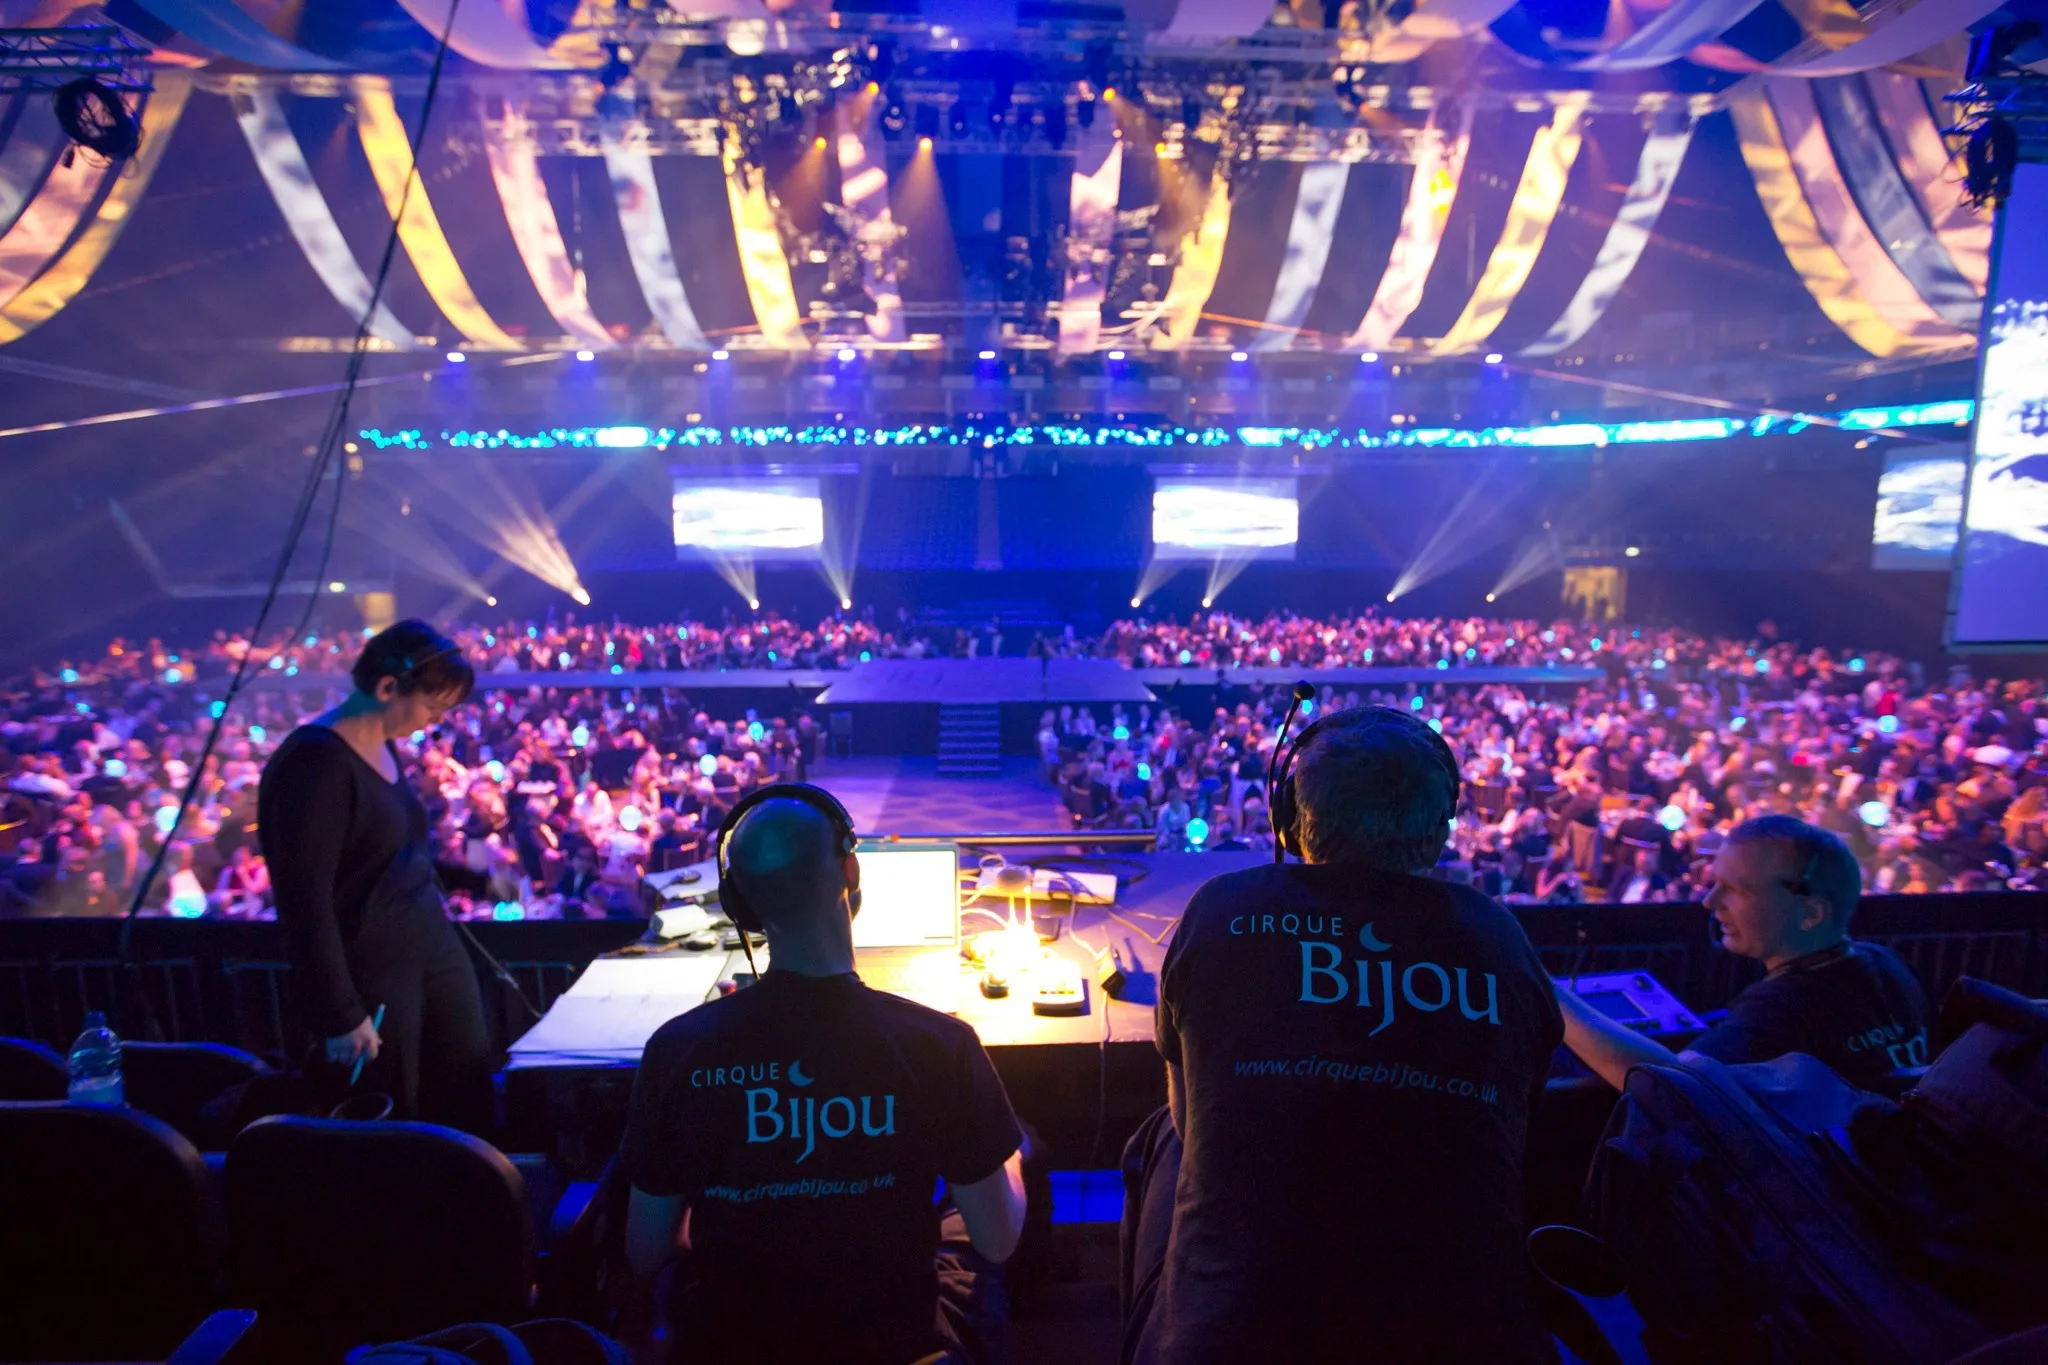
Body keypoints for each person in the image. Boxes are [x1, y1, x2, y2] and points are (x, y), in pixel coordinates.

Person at [1123, 706, 1564, 1365]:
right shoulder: (1499, 936)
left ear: (1291, 817)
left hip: (1225, 1341)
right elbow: (1515, 1124)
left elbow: (1194, 1124)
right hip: (1470, 1340)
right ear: (1440, 830)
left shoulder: (1221, 911)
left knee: (1157, 1137)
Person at [621, 789, 1029, 1365]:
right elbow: (999, 1239)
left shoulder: (676, 1051)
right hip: (897, 1347)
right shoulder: (940, 1045)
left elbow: (646, 1252)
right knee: (1006, 1166)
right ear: (851, 871)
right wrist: (1006, 1146)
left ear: (740, 902)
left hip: (735, 1347)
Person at [256, 620, 494, 1129]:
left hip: (428, 947)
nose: (434, 721)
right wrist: (340, 1012)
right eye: (432, 706)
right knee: (396, 1108)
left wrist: (478, 881)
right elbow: (304, 901)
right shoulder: (315, 764)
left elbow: (390, 856)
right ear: (388, 687)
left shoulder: (384, 749)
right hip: (373, 970)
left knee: (462, 1086)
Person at [1560, 815, 1930, 1089]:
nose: (1710, 902)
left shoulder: (1782, 1008)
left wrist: (1546, 991)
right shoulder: (1885, 964)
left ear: (1810, 914)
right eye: (1714, 884)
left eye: (1735, 890)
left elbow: (1666, 1088)